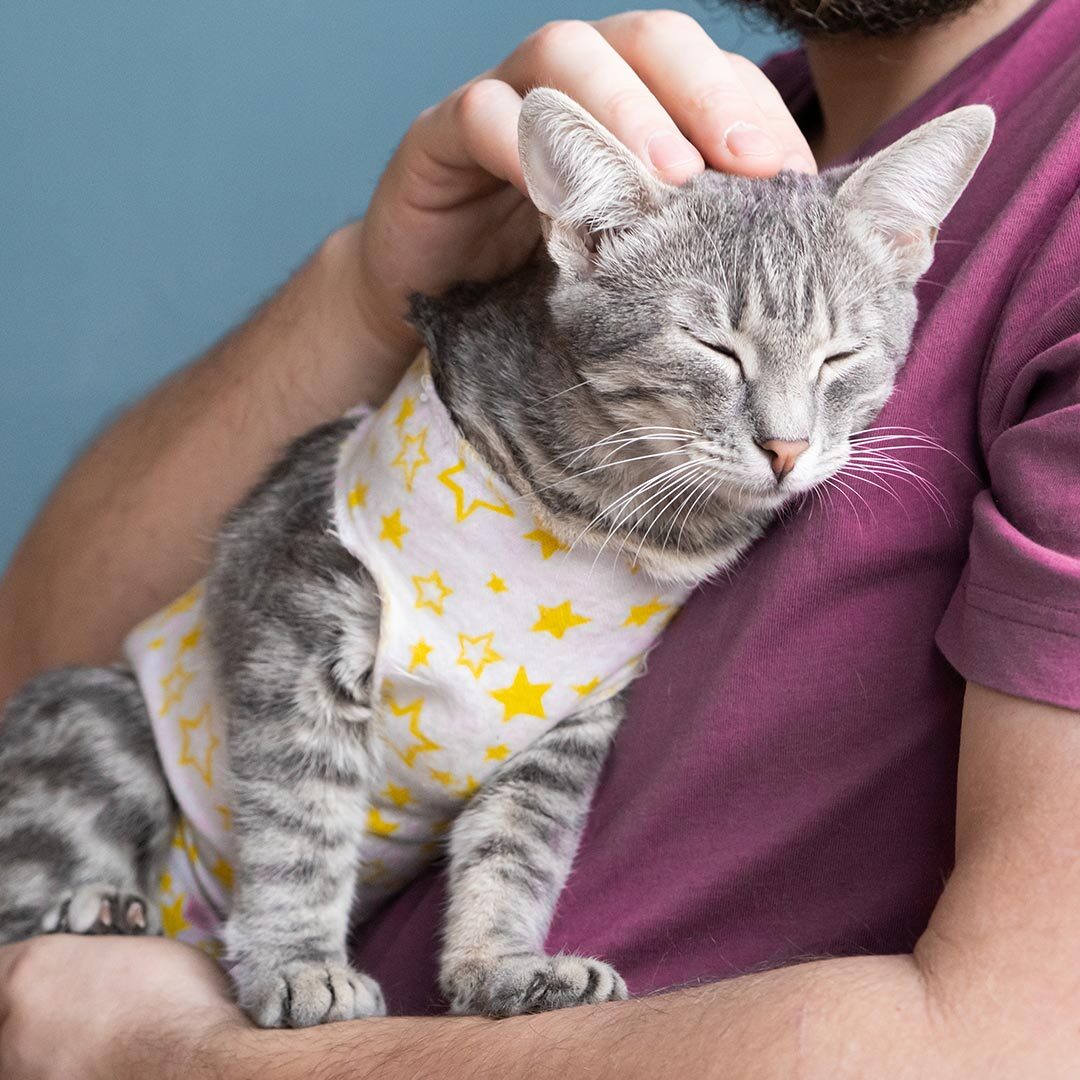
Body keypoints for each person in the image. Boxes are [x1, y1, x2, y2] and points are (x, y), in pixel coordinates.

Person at [1, 0, 1078, 1074]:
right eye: (724, 356)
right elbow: (32, 660)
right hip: (128, 889)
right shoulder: (712, 135)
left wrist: (154, 1050)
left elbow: (1017, 1045)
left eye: (838, 369)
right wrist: (367, 295)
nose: (788, 440)